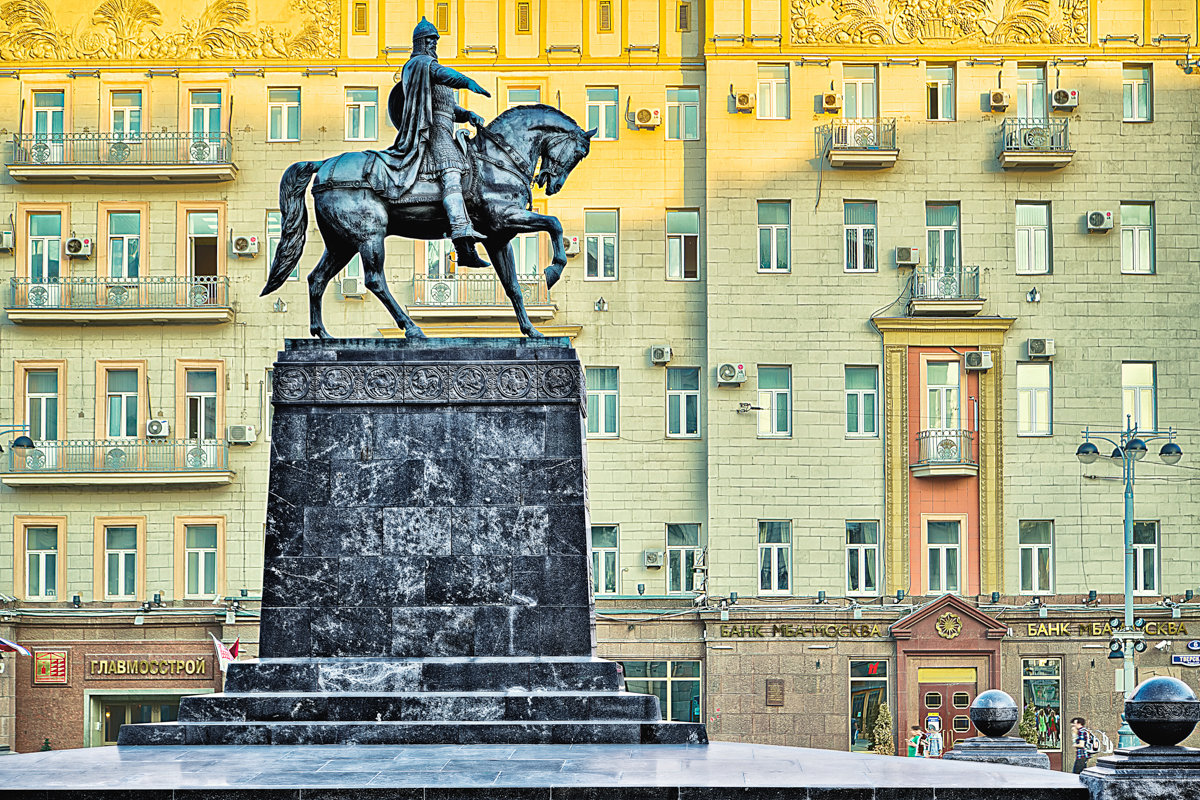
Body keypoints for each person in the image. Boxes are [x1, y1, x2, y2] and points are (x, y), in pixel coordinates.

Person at [386, 17, 493, 269]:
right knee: (451, 174)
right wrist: (467, 81)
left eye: (436, 39)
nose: (434, 43)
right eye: (430, 39)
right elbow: (443, 74)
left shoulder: (430, 69)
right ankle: (460, 233)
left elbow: (447, 107)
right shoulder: (419, 65)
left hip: (447, 129)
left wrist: (466, 114)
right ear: (420, 42)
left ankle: (466, 246)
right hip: (431, 133)